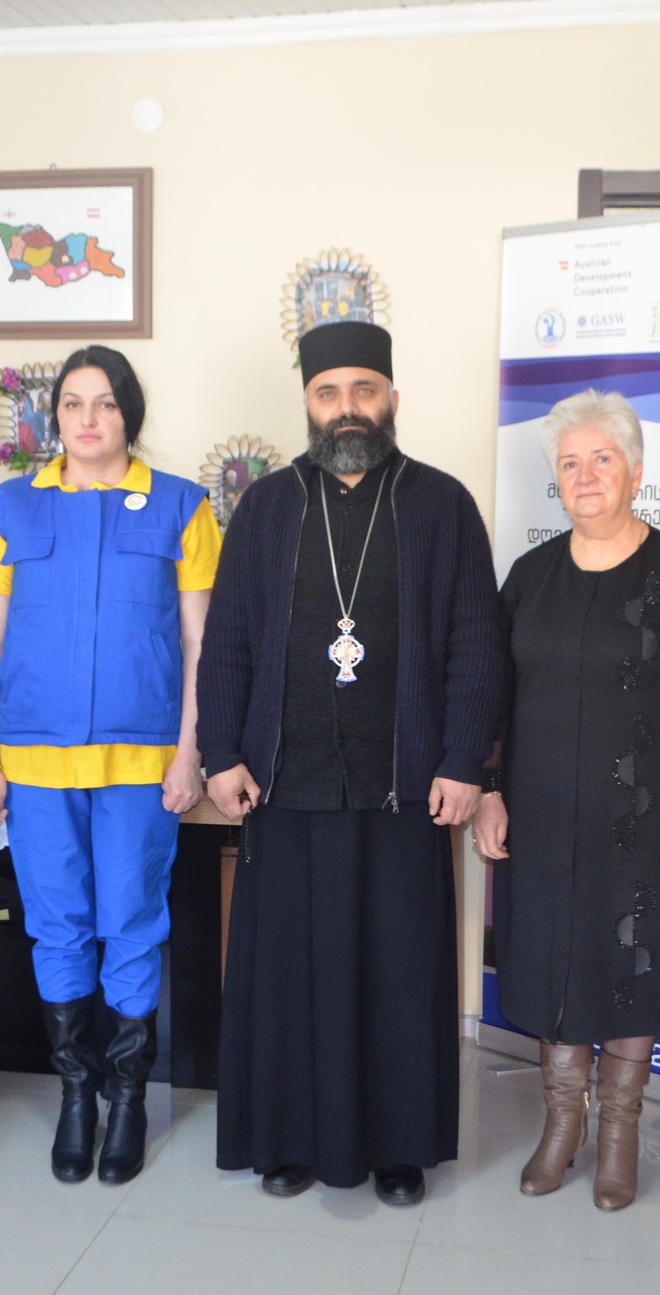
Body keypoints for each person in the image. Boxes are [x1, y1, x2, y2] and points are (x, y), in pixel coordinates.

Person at [201, 319, 504, 1207]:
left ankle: (399, 1148)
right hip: (286, 782)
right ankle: (289, 1139)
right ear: (307, 402)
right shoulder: (265, 507)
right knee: (289, 974)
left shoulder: (442, 504)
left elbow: (477, 643)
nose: (347, 408)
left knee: (398, 973)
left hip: (404, 784)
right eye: (329, 392)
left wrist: (464, 760)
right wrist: (220, 752)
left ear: (391, 399)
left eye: (363, 391)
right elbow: (227, 641)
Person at [0, 346, 220, 1186]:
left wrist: (190, 752)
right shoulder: (9, 509)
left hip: (141, 762)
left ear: (128, 413)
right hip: (34, 761)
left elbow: (199, 643)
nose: (87, 418)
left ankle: (129, 1097)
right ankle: (78, 1095)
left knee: (132, 922)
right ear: (53, 417)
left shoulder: (182, 506)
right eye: (72, 403)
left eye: (105, 403)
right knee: (58, 926)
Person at [471, 390, 660, 1209]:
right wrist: (491, 791)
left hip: (644, 824)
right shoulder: (529, 578)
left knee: (630, 966)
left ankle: (618, 1134)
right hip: (541, 817)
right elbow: (494, 698)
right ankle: (561, 1126)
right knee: (549, 962)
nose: (584, 476)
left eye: (601, 460)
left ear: (636, 473)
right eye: (569, 463)